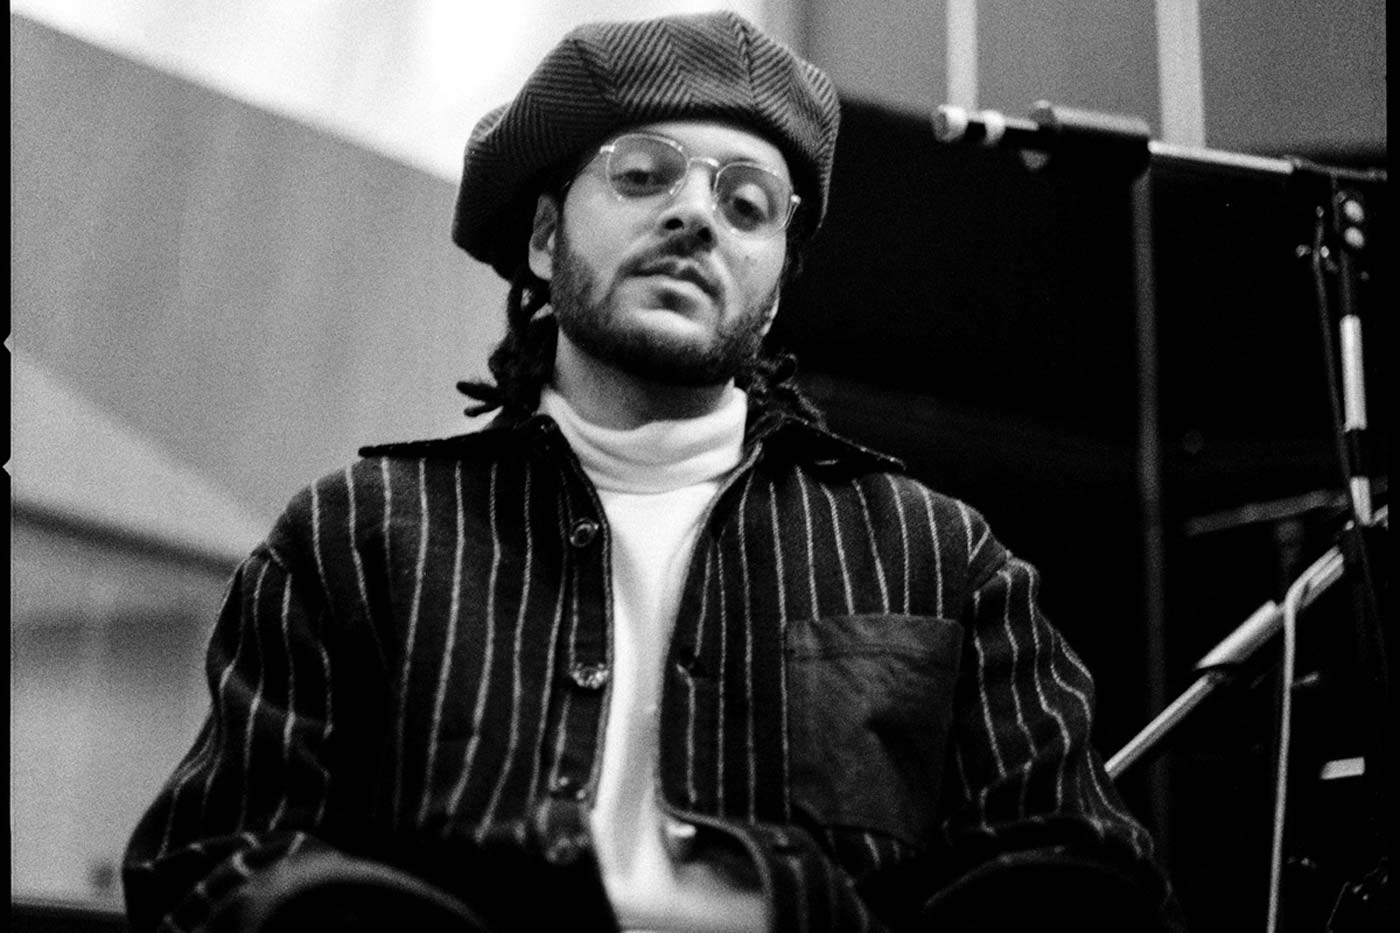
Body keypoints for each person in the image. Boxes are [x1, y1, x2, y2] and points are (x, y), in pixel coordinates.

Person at [124, 11, 1184, 932]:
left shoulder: (936, 557)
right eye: (642, 176)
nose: (694, 216)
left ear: (773, 289)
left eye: (747, 204)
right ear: (546, 239)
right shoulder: (358, 535)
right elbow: (208, 859)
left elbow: (1082, 863)